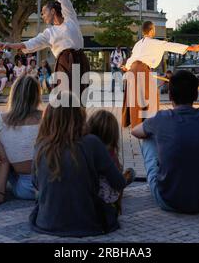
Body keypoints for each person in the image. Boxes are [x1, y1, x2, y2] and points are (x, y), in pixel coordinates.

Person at [30, 91, 127, 237]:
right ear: (79, 115)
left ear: (49, 117)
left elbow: (36, 183)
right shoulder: (91, 142)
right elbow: (118, 182)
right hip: (88, 223)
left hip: (46, 222)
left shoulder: (41, 145)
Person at [131, 70, 199, 214]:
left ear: (170, 95)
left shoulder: (161, 119)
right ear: (196, 95)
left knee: (148, 139)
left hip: (169, 199)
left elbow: (135, 131)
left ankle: (164, 177)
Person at [0, 0, 90, 104]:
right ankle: (65, 121)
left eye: (43, 12)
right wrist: (8, 45)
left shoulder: (70, 17)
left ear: (52, 11)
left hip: (80, 60)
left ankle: (79, 121)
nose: (42, 15)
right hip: (64, 62)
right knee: (65, 96)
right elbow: (28, 44)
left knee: (80, 96)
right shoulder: (48, 33)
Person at [121, 21, 199, 128]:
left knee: (135, 96)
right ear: (151, 30)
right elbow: (170, 45)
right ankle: (148, 122)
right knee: (150, 95)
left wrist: (126, 67)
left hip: (132, 70)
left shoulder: (138, 44)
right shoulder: (155, 42)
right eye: (154, 29)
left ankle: (135, 122)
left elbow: (133, 58)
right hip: (141, 69)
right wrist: (192, 48)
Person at [0, 75, 42, 207]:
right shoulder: (47, 118)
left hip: (24, 190)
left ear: (13, 94)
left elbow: (4, 161)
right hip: (48, 184)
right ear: (37, 95)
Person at [87, 110, 135, 214]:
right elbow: (118, 182)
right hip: (106, 203)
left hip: (88, 198)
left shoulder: (85, 149)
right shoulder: (109, 154)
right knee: (131, 172)